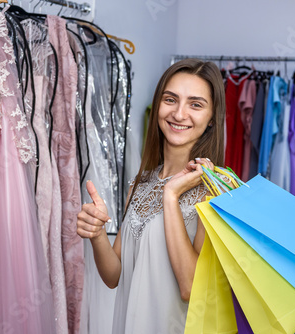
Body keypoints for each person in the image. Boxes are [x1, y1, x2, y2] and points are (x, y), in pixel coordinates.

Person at [76, 58, 226, 333]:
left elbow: (191, 288)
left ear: (212, 118)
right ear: (157, 104)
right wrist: (97, 234)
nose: (179, 114)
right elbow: (114, 276)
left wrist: (171, 197)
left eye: (195, 104)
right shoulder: (140, 184)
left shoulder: (215, 191)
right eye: (170, 99)